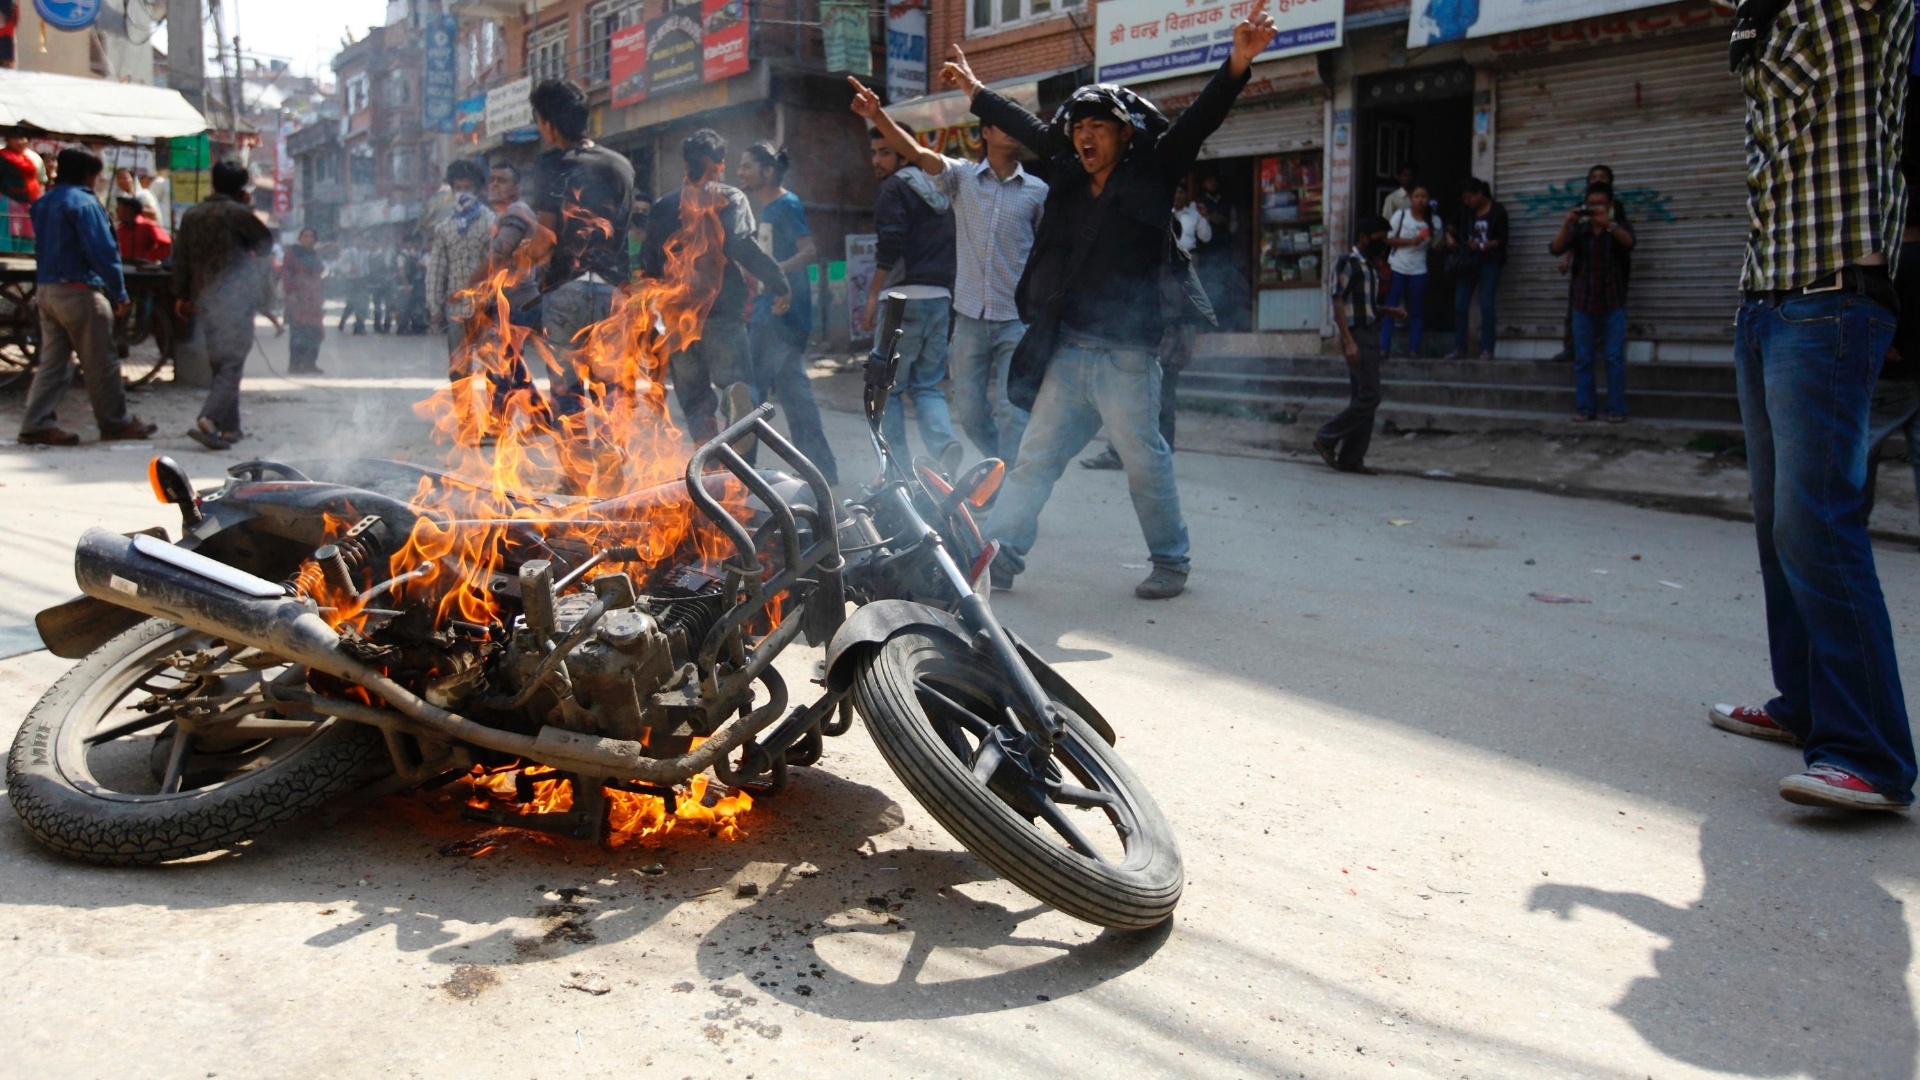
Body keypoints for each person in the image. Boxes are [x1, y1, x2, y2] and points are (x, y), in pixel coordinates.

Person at [950, 0, 1280, 601]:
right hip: (1070, 351)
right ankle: (1001, 555)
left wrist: (1236, 62)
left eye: (1097, 127)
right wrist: (978, 92)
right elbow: (1028, 128)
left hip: (1128, 355)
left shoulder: (1154, 170)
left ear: (1125, 133)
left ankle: (1171, 562)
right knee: (1033, 460)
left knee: (1145, 463)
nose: (1084, 137)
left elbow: (1200, 120)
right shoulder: (1069, 175)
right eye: (1078, 129)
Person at [1711, 0, 1915, 812]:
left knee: (1817, 522)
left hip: (1832, 300)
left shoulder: (1857, 12)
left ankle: (1870, 753)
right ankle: (1806, 709)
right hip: (1766, 300)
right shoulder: (1765, 20)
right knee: (1778, 525)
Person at [854, 87, 1048, 467]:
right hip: (970, 318)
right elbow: (917, 153)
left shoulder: (1038, 192)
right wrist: (877, 116)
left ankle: (1009, 494)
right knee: (971, 413)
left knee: (1013, 412)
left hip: (1015, 321)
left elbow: (1046, 254)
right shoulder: (961, 179)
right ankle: (999, 472)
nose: (1013, 131)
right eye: (1003, 124)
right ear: (986, 133)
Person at [639, 129, 790, 444]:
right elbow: (740, 244)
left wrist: (650, 323)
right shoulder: (730, 197)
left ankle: (709, 468)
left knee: (695, 400)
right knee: (737, 388)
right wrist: (777, 280)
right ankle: (740, 465)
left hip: (677, 317)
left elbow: (649, 267)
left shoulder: (664, 206)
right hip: (721, 313)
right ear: (720, 163)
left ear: (685, 162)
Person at [15, 146, 154, 446]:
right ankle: (115, 422)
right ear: (88, 175)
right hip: (79, 291)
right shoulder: (84, 204)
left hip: (48, 290)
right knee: (101, 362)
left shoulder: (44, 203)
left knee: (53, 362)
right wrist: (119, 293)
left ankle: (36, 423)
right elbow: (103, 253)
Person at [1082, 180, 1209, 471]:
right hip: (1153, 339)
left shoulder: (1172, 269)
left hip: (1162, 341)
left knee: (1152, 397)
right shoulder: (1159, 265)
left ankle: (1148, 453)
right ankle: (1140, 452)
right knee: (1143, 396)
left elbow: (1178, 313)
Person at [527, 78, 635, 418]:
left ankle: (577, 471)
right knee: (610, 390)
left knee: (567, 391)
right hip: (613, 291)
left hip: (565, 290)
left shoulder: (552, 165)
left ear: (548, 123)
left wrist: (518, 260)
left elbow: (545, 240)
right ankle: (609, 465)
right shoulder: (621, 165)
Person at [736, 141, 838, 483]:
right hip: (775, 311)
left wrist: (777, 274)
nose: (741, 173)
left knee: (750, 391)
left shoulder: (786, 204)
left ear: (768, 171)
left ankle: (738, 473)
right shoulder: (767, 209)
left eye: (747, 166)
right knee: (795, 396)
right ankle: (823, 472)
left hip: (779, 313)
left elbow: (809, 251)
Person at [863, 124, 962, 472]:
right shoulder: (941, 190)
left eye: (884, 152)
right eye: (873, 152)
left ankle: (897, 474)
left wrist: (873, 295)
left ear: (904, 153)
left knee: (885, 391)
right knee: (928, 385)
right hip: (940, 299)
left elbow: (890, 246)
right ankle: (944, 443)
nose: (876, 160)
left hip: (903, 302)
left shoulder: (892, 189)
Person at [173, 159, 274, 450]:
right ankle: (210, 417)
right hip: (236, 298)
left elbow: (179, 258)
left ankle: (231, 429)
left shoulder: (192, 215)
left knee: (221, 361)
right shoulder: (238, 214)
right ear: (241, 188)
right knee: (231, 363)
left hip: (204, 298)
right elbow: (264, 244)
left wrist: (181, 295)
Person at [1313, 216, 1398, 475]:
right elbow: (1338, 301)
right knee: (1371, 395)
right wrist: (1347, 340)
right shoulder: (1348, 262)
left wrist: (1387, 310)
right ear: (1363, 237)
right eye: (1380, 238)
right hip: (1359, 335)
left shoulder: (1371, 266)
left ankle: (1352, 457)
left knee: (1363, 396)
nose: (1383, 243)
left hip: (1370, 331)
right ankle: (1327, 436)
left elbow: (1361, 304)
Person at [1550, 182, 1636, 422]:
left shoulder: (1618, 227)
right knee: (1583, 359)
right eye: (1592, 204)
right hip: (1583, 303)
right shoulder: (1580, 231)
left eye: (1601, 204)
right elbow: (1555, 248)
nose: (1596, 208)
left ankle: (1616, 409)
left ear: (1609, 206)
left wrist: (1608, 225)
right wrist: (1567, 222)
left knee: (1614, 359)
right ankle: (1585, 408)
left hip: (1612, 302)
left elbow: (1630, 243)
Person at [1553, 164, 1628, 362]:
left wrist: (1607, 225)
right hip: (1584, 269)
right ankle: (1571, 347)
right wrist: (1567, 258)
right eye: (1594, 176)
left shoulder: (1615, 207)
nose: (1598, 179)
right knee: (1576, 309)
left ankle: (1603, 349)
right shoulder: (1582, 208)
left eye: (1603, 176)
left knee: (1610, 312)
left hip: (1610, 267)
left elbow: (1626, 238)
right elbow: (1571, 238)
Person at [426, 158, 496, 365]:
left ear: (477, 190)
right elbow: (436, 271)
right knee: (458, 368)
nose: (462, 192)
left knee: (494, 369)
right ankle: (461, 400)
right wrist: (435, 308)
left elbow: (497, 264)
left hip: (487, 308)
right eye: (458, 188)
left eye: (468, 187)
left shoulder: (492, 222)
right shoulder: (444, 228)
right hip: (456, 310)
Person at [1446, 177, 1507, 360]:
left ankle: (1487, 348)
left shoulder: (1497, 211)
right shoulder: (1465, 211)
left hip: (1489, 262)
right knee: (1460, 304)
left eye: (1469, 197)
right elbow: (1451, 226)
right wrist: (1450, 237)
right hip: (1467, 263)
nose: (1467, 202)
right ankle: (1460, 346)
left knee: (1487, 304)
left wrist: (1482, 246)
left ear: (1479, 194)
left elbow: (1502, 240)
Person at [1379, 184, 1440, 357]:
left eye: (1424, 196)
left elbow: (1437, 245)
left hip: (1419, 268)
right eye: (1417, 196)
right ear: (1411, 199)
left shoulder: (1434, 221)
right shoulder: (1401, 215)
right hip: (1398, 266)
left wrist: (1444, 235)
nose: (1420, 200)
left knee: (1416, 311)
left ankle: (1414, 349)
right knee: (1391, 308)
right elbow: (1387, 240)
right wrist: (1409, 242)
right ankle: (1384, 348)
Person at [283, 227, 327, 375]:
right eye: (305, 236)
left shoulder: (315, 256)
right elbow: (286, 273)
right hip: (298, 297)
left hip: (313, 299)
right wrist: (290, 293)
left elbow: (321, 275)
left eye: (311, 236)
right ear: (300, 238)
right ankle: (295, 364)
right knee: (298, 333)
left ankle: (310, 363)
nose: (308, 238)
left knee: (314, 332)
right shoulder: (292, 253)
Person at [114, 194, 172, 264]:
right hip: (126, 269)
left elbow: (167, 245)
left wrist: (147, 257)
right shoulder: (120, 230)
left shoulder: (148, 226)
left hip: (146, 270)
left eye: (120, 208)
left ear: (129, 209)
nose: (117, 211)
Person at [336, 240, 369, 334]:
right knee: (352, 303)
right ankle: (344, 320)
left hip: (361, 281)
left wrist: (366, 277)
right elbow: (340, 264)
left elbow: (366, 267)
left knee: (362, 304)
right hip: (351, 281)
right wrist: (348, 269)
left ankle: (359, 325)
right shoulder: (348, 252)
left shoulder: (364, 253)